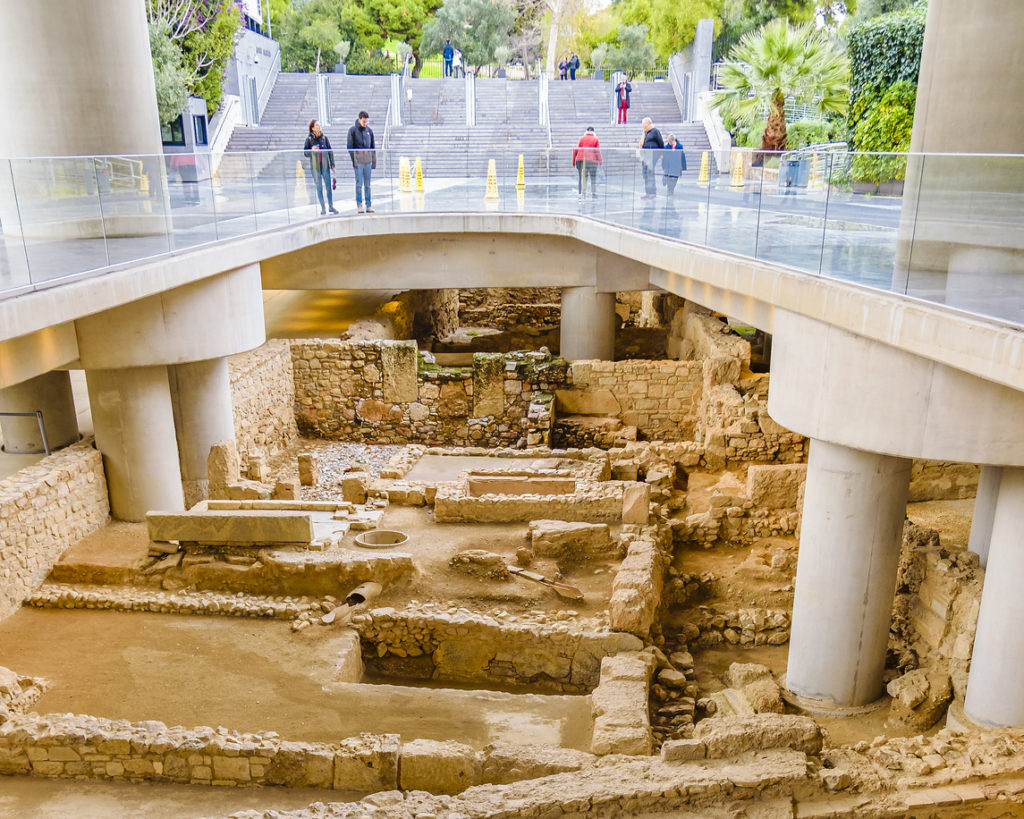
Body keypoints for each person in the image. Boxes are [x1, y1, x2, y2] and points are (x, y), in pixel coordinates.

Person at [303, 119, 338, 215]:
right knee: (319, 187)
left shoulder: (324, 138)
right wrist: (311, 150)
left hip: (325, 166)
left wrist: (332, 165)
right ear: (313, 128)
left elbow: (330, 151)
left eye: (319, 125)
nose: (319, 126)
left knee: (328, 187)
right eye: (317, 125)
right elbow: (305, 153)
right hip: (315, 167)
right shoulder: (309, 139)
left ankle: (331, 206)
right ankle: (323, 207)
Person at [347, 110, 376, 213]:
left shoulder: (369, 131)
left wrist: (373, 161)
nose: (365, 123)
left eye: (366, 121)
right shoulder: (352, 130)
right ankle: (359, 204)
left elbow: (373, 147)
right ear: (359, 119)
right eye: (363, 121)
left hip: (367, 161)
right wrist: (354, 160)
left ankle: (369, 205)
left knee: (368, 184)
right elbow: (350, 147)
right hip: (358, 162)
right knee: (359, 184)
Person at [572, 125, 602, 199]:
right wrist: (600, 161)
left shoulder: (582, 138)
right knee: (593, 177)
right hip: (592, 160)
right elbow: (597, 151)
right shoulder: (596, 139)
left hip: (582, 159)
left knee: (584, 177)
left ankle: (582, 192)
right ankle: (593, 193)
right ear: (593, 132)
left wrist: (574, 161)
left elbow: (578, 149)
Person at [639, 117, 664, 199]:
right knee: (645, 173)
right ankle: (648, 192)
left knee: (650, 173)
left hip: (652, 155)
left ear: (648, 123)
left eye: (644, 123)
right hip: (645, 156)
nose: (642, 125)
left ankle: (652, 192)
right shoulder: (645, 133)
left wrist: (659, 154)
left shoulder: (655, 131)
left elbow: (661, 143)